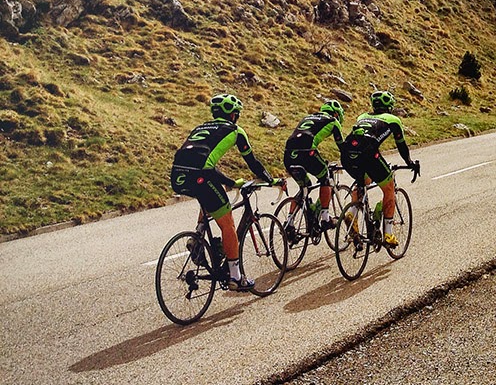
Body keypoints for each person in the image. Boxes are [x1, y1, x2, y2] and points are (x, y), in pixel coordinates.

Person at [170, 93, 275, 291]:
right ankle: (235, 277)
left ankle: (198, 236)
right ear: (233, 115)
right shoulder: (235, 130)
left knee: (206, 198)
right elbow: (251, 161)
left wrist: (228, 181)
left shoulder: (200, 127)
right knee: (228, 224)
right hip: (202, 175)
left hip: (177, 175)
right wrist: (268, 179)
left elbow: (199, 159)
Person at [341, 91, 419, 248]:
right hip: (368, 153)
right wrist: (409, 162)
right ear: (390, 106)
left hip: (347, 153)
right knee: (389, 188)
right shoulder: (393, 119)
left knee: (363, 182)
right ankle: (388, 234)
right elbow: (401, 145)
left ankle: (352, 214)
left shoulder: (362, 116)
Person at [283, 100, 346, 230]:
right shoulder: (333, 121)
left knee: (304, 187)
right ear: (336, 114)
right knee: (326, 178)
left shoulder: (308, 117)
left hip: (288, 154)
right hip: (307, 153)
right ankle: (325, 218)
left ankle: (289, 222)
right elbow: (342, 148)